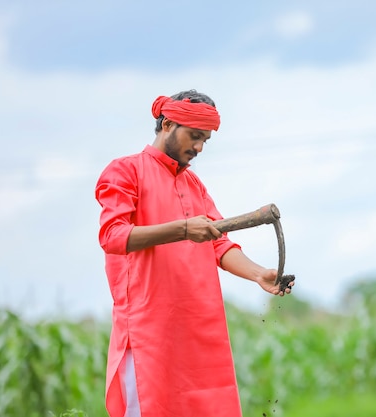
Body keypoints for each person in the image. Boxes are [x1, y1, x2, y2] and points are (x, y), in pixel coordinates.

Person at [95, 89, 293, 417]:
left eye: (206, 140)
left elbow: (219, 243)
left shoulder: (195, 185)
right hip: (150, 331)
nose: (199, 148)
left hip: (201, 328)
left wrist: (259, 274)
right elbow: (113, 236)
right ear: (168, 124)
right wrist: (184, 229)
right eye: (195, 136)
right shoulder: (125, 172)